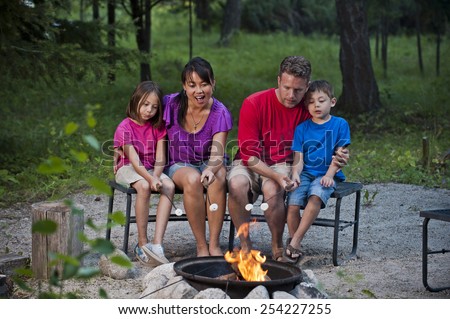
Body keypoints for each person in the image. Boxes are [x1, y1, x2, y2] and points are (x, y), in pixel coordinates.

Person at [227, 56, 348, 261]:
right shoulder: (254, 103)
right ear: (278, 81)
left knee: (273, 188)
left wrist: (340, 154)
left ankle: (277, 246)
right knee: (237, 183)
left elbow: (330, 133)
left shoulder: (310, 109)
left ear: (307, 86)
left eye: (298, 90)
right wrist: (273, 174)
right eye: (286, 87)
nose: (291, 95)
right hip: (250, 161)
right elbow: (248, 155)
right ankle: (245, 245)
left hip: (284, 163)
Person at [163, 56, 233, 257]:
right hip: (177, 162)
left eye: (204, 84)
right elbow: (139, 115)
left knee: (218, 179)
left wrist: (210, 170)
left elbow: (218, 152)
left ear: (213, 83)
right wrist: (121, 148)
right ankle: (201, 246)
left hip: (208, 160)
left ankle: (214, 244)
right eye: (192, 85)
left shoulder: (220, 113)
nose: (199, 91)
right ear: (184, 86)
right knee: (193, 179)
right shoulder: (170, 104)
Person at [285, 80, 350, 262]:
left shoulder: (340, 124)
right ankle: (293, 240)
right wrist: (295, 174)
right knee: (292, 203)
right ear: (306, 106)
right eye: (311, 102)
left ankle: (295, 241)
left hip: (328, 173)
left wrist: (330, 175)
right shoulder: (302, 128)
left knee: (316, 195)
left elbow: (341, 154)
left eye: (321, 100)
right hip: (305, 172)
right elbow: (298, 158)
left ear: (332, 102)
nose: (317, 105)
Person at [113, 81, 175, 266]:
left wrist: (156, 176)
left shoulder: (158, 127)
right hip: (128, 168)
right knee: (144, 186)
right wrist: (151, 179)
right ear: (136, 100)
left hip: (150, 169)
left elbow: (161, 158)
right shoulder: (124, 127)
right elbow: (134, 162)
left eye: (155, 107)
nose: (149, 110)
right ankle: (142, 243)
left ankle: (157, 244)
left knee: (169, 186)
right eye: (146, 104)